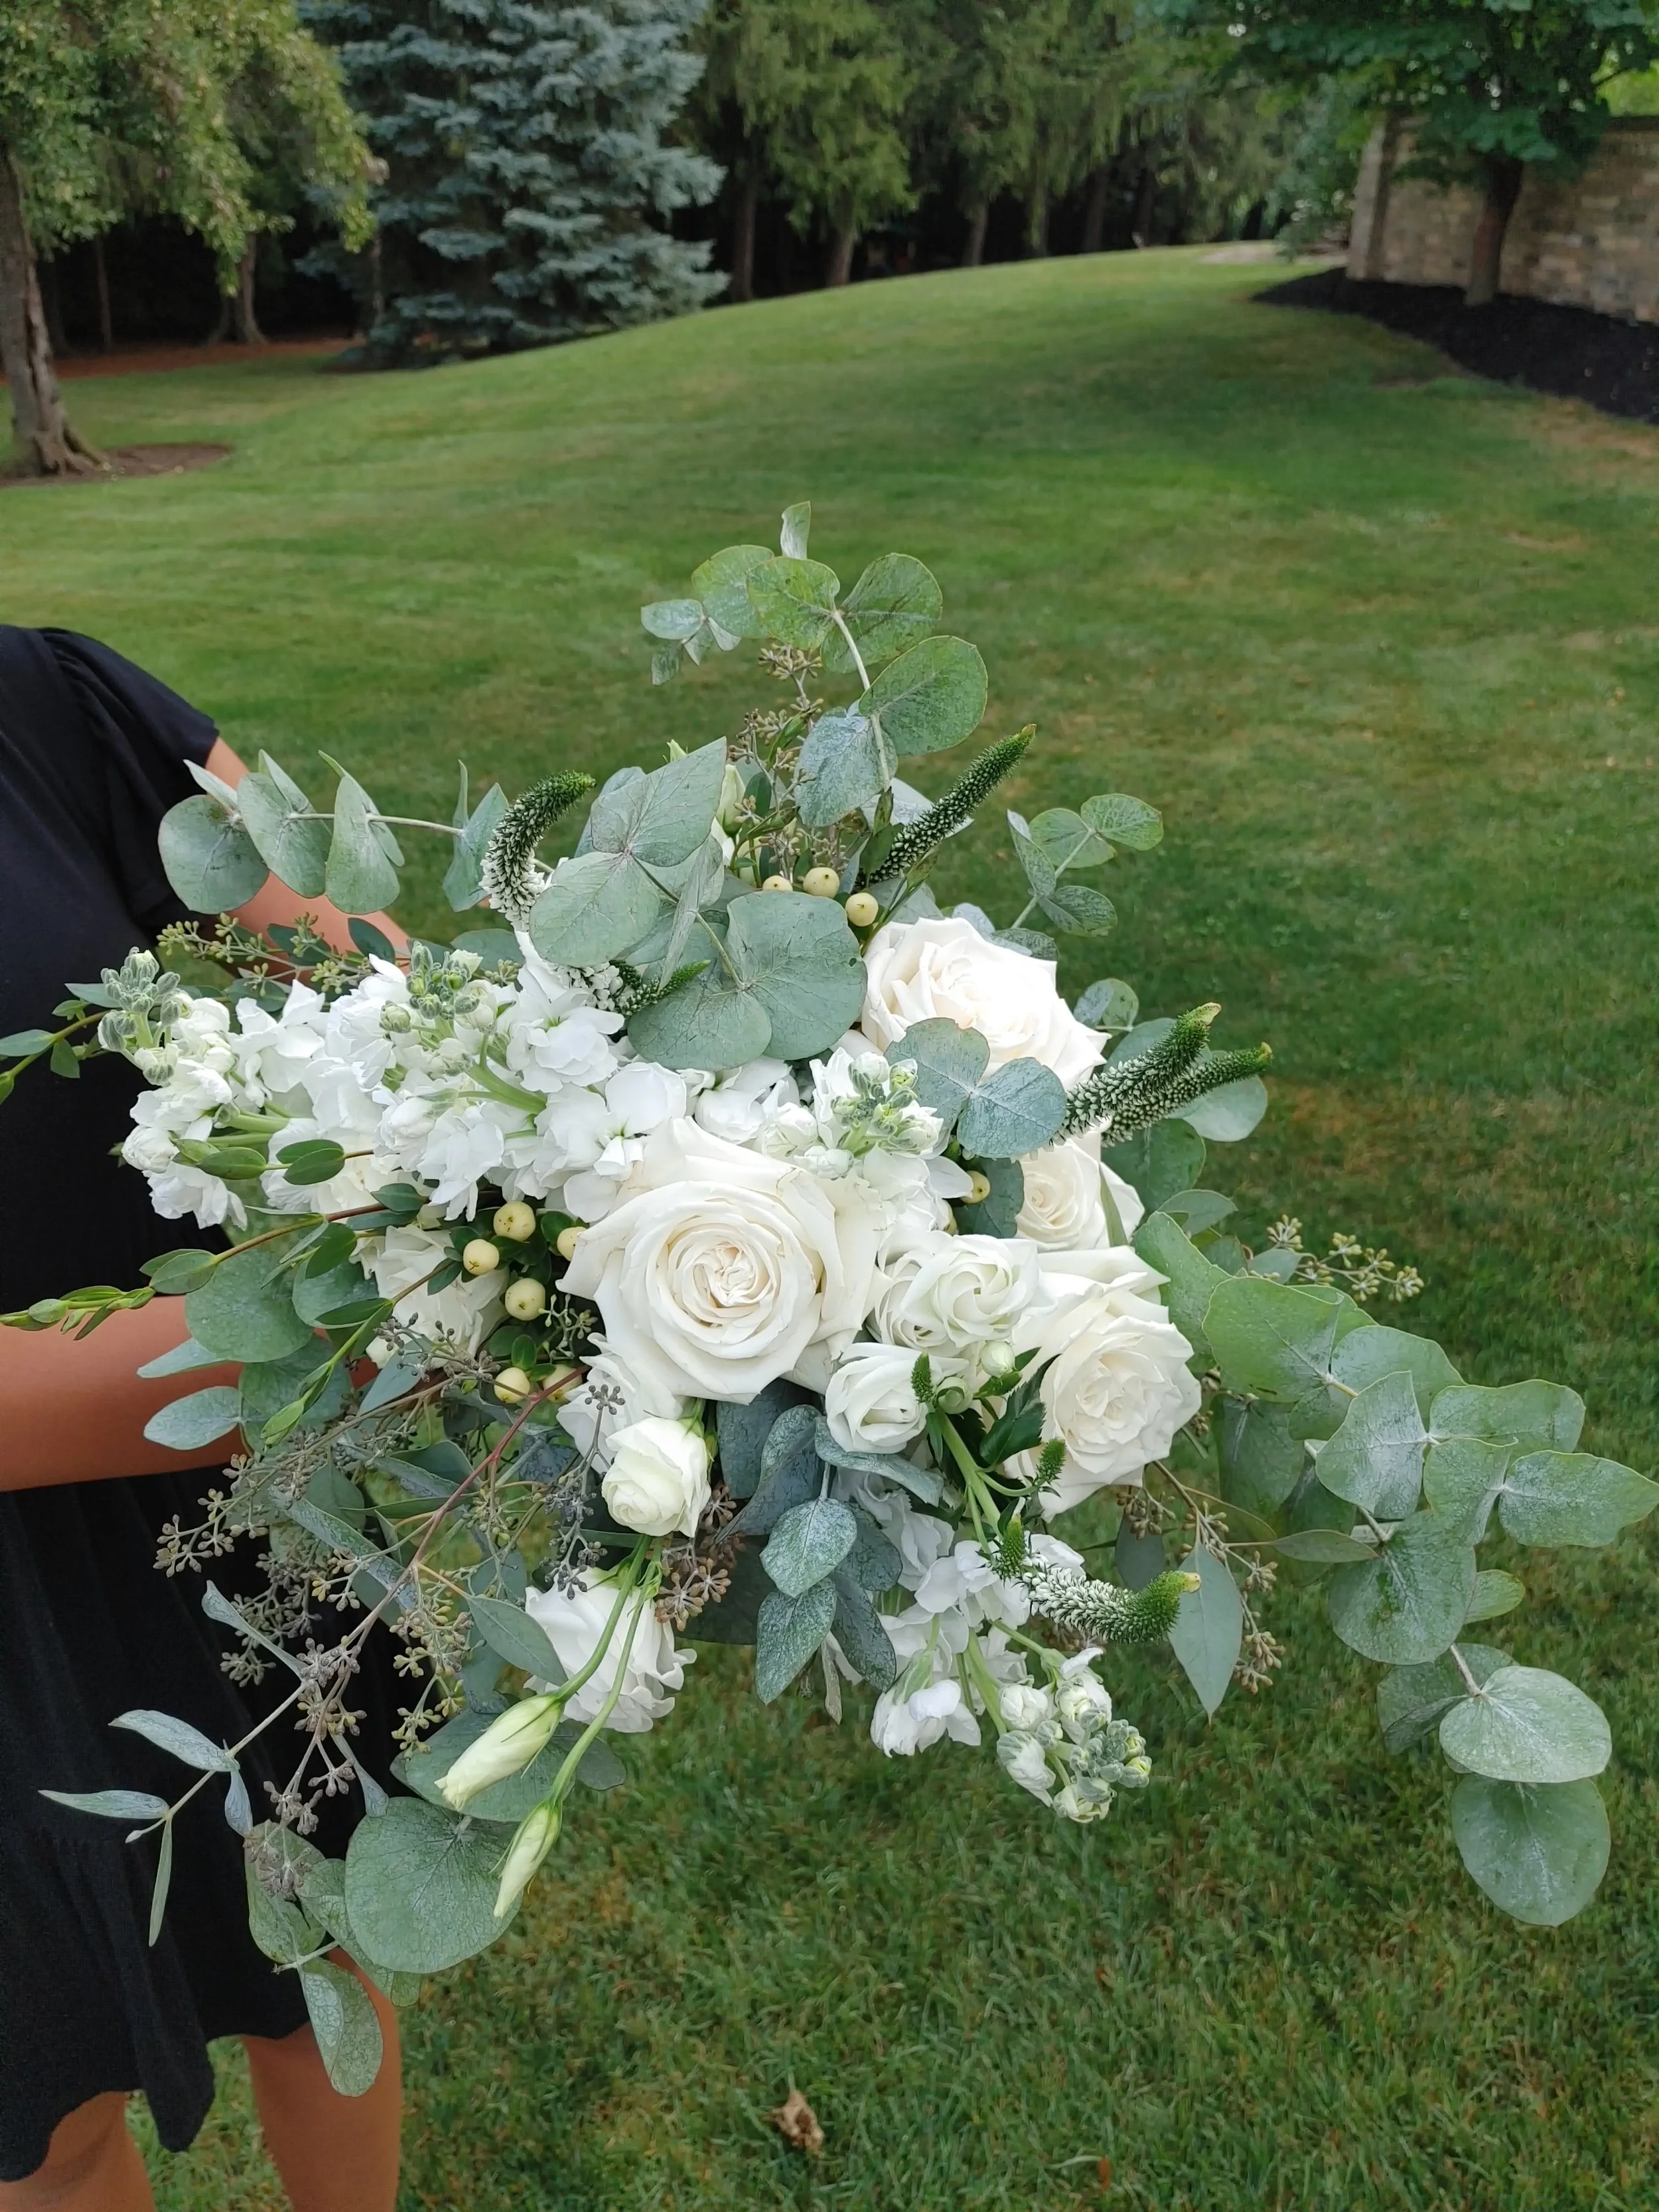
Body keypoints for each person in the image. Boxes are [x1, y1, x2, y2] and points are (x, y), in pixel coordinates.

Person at [0, 629, 404, 2211]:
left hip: (236, 1520)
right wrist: (336, 1352)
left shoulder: (53, 703)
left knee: (321, 1937)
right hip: (183, 1446)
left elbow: (356, 965)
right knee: (51, 2095)